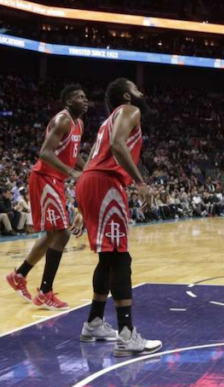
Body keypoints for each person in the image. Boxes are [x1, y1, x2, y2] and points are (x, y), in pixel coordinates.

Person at [73, 78, 162, 357]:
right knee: (121, 256)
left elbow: (90, 161)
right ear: (127, 96)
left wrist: (79, 206)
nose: (141, 92)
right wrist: (141, 183)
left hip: (90, 182)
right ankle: (126, 336)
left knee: (107, 257)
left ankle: (94, 323)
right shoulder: (129, 110)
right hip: (106, 184)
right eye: (137, 89)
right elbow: (118, 145)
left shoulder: (106, 120)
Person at [6, 85, 88, 309]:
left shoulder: (79, 124)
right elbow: (44, 152)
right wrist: (72, 172)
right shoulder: (62, 120)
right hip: (44, 178)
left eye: (86, 97)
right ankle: (45, 292)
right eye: (80, 97)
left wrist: (88, 168)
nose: (86, 100)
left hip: (56, 180)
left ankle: (19, 275)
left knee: (53, 235)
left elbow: (74, 154)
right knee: (61, 234)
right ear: (69, 102)